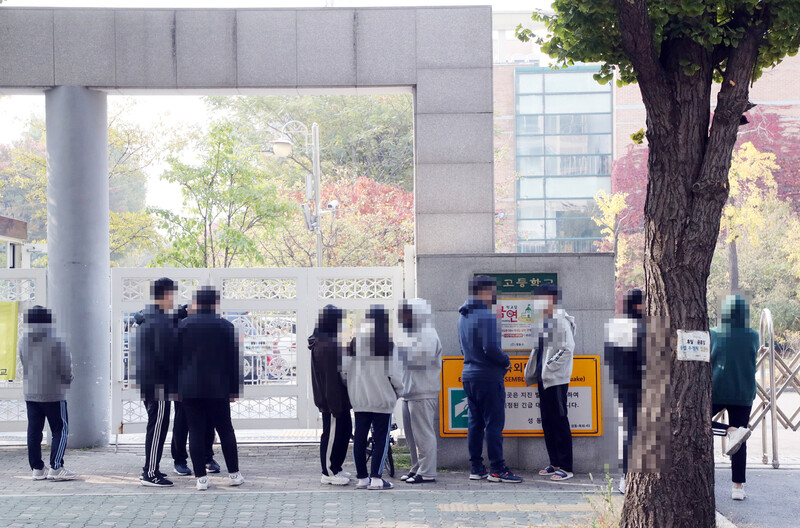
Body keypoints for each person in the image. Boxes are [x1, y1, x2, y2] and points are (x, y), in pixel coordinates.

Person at [177, 286, 244, 491]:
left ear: (196, 303)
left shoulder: (182, 326)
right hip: (218, 387)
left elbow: (175, 360)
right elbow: (234, 361)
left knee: (195, 431)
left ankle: (201, 479)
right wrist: (234, 389)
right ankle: (234, 474)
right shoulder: (226, 326)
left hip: (189, 388)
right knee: (225, 430)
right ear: (216, 303)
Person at [458, 275, 522, 483]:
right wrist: (506, 361)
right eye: (493, 290)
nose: (495, 295)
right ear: (484, 291)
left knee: (475, 423)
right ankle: (497, 469)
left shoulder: (463, 316)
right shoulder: (487, 316)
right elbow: (491, 348)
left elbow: (463, 348)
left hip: (469, 375)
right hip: (488, 376)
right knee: (494, 423)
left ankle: (476, 468)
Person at [343, 305, 403, 491]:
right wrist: (398, 392)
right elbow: (395, 375)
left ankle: (362, 478)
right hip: (382, 399)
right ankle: (376, 478)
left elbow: (344, 372)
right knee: (382, 438)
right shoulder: (388, 344)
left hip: (360, 399)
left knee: (359, 438)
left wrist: (352, 387)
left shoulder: (353, 343)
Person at [132, 277, 181, 487]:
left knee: (157, 426)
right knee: (158, 427)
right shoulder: (159, 321)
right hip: (159, 383)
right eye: (173, 295)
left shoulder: (148, 316)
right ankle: (150, 472)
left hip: (149, 381)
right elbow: (165, 356)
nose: (174, 300)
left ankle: (152, 470)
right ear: (166, 295)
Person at [19, 305, 76, 481]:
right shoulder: (56, 340)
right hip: (53, 392)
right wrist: (67, 381)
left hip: (30, 392)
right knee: (60, 429)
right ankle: (56, 467)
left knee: (34, 430)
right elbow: (66, 367)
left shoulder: (23, 339)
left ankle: (37, 469)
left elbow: (23, 362)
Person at [525, 283, 575, 482]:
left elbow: (567, 349)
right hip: (544, 379)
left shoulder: (560, 320)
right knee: (547, 421)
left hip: (555, 379)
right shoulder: (545, 320)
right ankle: (554, 463)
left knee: (559, 421)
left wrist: (549, 367)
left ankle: (566, 467)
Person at [710, 295, 758, 501]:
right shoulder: (753, 335)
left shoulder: (713, 333)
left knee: (697, 424)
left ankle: (727, 430)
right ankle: (738, 487)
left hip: (716, 390)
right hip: (743, 392)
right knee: (740, 440)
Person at [604, 289, 646, 494]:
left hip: (622, 386)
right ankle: (636, 476)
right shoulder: (641, 327)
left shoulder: (616, 326)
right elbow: (644, 359)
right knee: (641, 432)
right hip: (641, 386)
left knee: (630, 431)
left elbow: (609, 357)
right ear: (638, 305)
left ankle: (625, 477)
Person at [397, 298, 442, 484]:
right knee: (412, 436)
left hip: (423, 390)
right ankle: (417, 468)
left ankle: (428, 471)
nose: (402, 317)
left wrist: (399, 352)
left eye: (406, 313)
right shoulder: (412, 333)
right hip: (410, 391)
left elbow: (421, 361)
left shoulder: (428, 333)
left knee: (423, 434)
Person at [309, 304, 353, 486]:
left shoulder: (325, 341)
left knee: (343, 432)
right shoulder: (325, 346)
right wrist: (335, 406)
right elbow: (330, 379)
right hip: (332, 401)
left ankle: (336, 467)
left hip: (336, 399)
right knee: (332, 434)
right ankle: (328, 471)